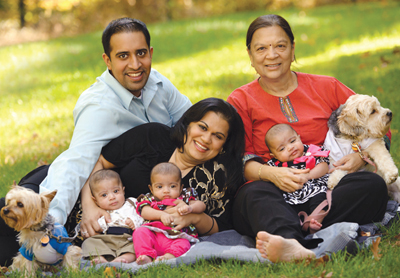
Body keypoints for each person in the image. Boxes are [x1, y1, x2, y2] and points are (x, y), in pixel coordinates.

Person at [0, 17, 191, 266]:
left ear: (151, 53)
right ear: (107, 60)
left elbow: (192, 121)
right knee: (12, 228)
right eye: (123, 56)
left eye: (141, 53)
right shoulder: (98, 105)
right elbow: (76, 163)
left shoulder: (159, 83)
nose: (135, 64)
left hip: (121, 185)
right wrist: (59, 218)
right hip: (82, 186)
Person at [227, 14, 389, 263]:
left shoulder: (327, 87)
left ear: (292, 50)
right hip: (271, 191)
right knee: (252, 196)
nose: (272, 55)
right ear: (250, 55)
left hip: (328, 190)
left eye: (280, 46)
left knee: (372, 185)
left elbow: (378, 126)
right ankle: (293, 240)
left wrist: (359, 155)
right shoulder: (240, 100)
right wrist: (272, 175)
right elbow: (241, 160)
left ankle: (293, 234)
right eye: (261, 48)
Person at [78, 98, 245, 250]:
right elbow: (99, 161)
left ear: (224, 145)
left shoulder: (217, 174)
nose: (206, 139)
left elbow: (220, 225)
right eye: (202, 127)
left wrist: (193, 218)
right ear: (188, 124)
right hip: (92, 212)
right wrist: (89, 206)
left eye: (218, 136)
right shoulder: (153, 137)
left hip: (135, 243)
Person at [133, 162, 206, 265]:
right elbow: (144, 211)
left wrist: (190, 208)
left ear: (180, 187)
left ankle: (169, 256)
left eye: (172, 186)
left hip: (177, 236)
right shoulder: (150, 199)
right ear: (151, 188)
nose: (166, 191)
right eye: (159, 187)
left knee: (184, 243)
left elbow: (201, 205)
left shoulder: (184, 197)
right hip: (154, 235)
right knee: (140, 232)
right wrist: (161, 215)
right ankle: (145, 255)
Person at [265, 124, 330, 233]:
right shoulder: (275, 164)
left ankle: (314, 222)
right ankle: (296, 229)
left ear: (299, 138)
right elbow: (267, 175)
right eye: (282, 148)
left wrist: (308, 175)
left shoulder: (311, 152)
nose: (290, 147)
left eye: (292, 141)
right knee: (285, 210)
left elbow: (324, 166)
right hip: (291, 198)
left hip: (314, 189)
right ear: (274, 156)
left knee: (319, 201)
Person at [81, 169, 143, 264]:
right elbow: (97, 227)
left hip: (127, 238)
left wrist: (134, 221)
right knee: (88, 242)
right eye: (104, 195)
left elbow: (141, 216)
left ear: (123, 190)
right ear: (95, 200)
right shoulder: (99, 210)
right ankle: (100, 258)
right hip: (106, 239)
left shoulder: (131, 203)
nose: (112, 197)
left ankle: (122, 259)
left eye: (115, 191)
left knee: (137, 245)